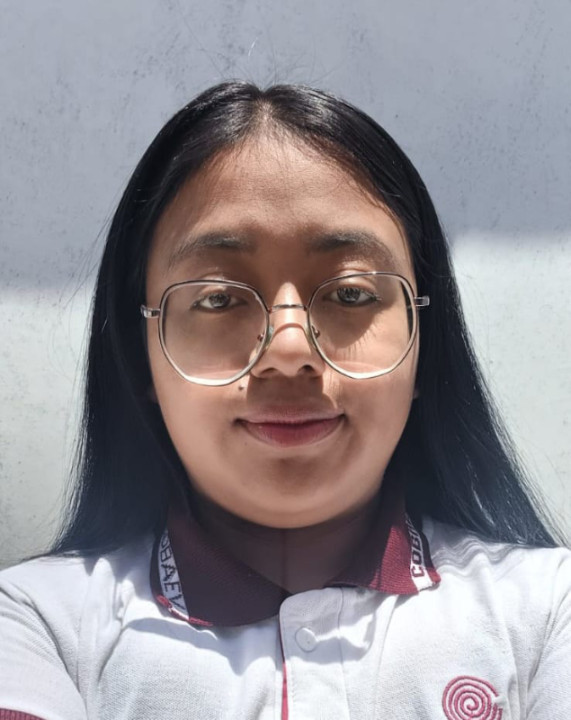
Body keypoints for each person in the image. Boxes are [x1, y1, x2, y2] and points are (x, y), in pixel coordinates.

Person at [0, 81, 569, 720]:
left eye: (351, 293)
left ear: (423, 347)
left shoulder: (548, 611)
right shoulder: (37, 626)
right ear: (142, 360)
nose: (290, 349)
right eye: (218, 298)